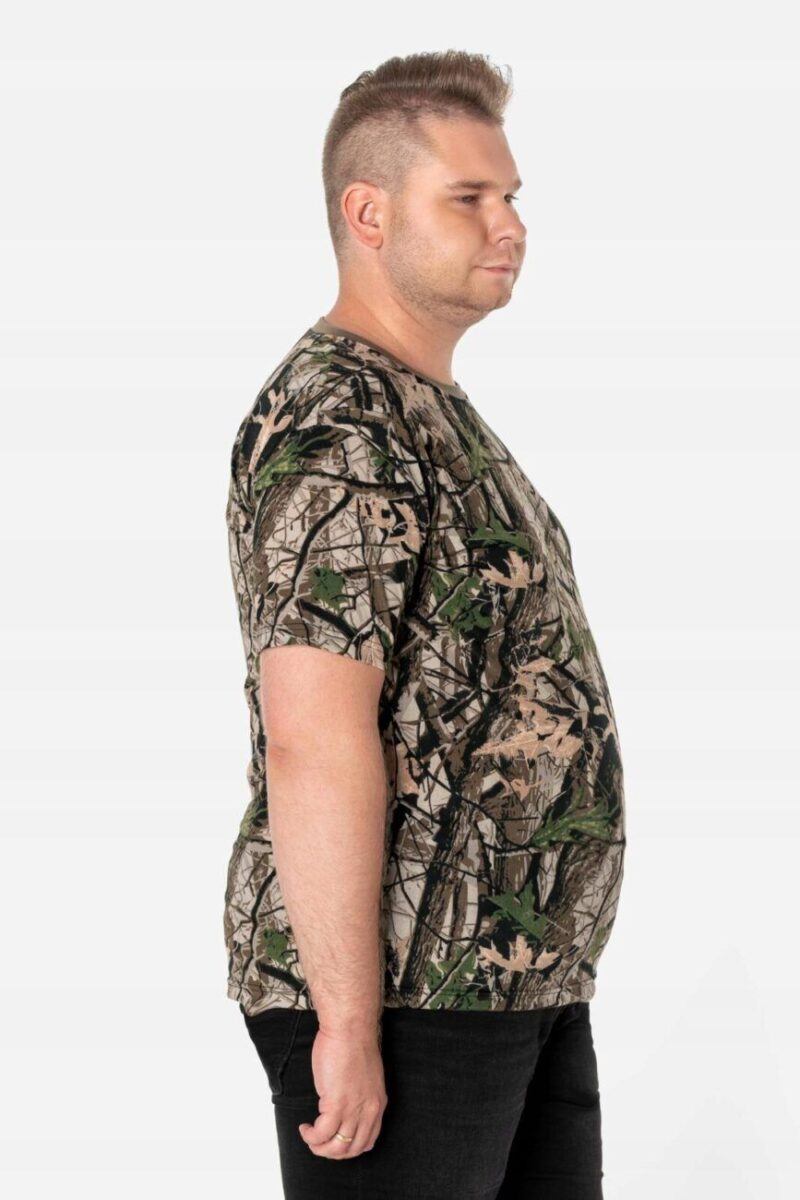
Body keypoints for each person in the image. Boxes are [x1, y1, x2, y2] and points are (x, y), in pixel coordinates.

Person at [223, 48, 626, 1200]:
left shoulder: (430, 410)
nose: (509, 225)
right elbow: (313, 735)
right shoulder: (338, 418)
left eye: (510, 196)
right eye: (468, 197)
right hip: (407, 994)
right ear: (369, 214)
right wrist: (346, 1024)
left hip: (513, 976)